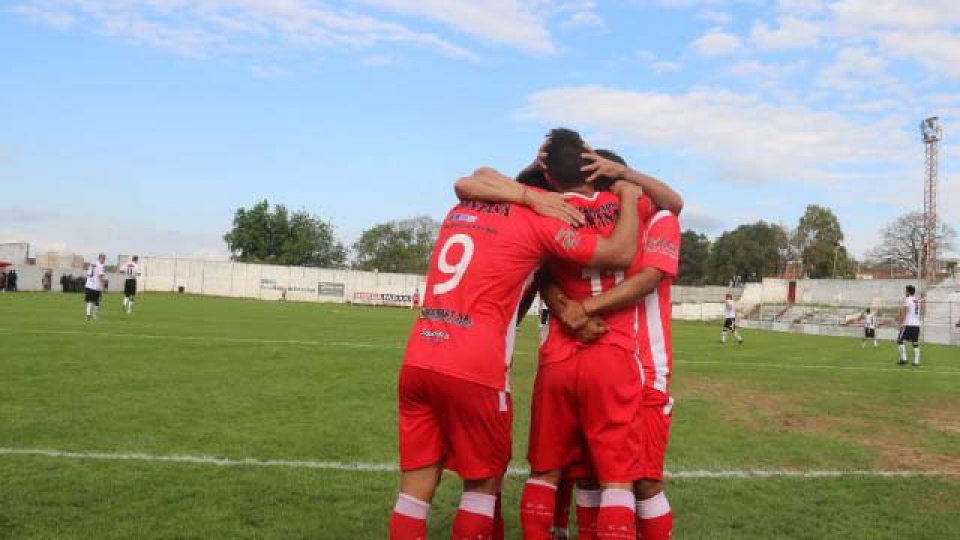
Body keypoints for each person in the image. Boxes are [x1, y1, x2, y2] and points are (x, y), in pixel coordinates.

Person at [390, 130, 643, 540]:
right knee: (483, 485)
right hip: (475, 368)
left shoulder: (468, 204)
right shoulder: (541, 224)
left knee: (414, 492)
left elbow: (473, 177)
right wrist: (629, 197)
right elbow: (619, 254)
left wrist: (530, 186)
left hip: (419, 356)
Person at [457, 137, 682, 540]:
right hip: (615, 353)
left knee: (588, 473)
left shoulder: (557, 213)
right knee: (608, 476)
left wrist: (572, 308)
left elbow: (473, 184)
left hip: (627, 362)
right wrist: (571, 309)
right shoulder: (635, 208)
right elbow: (654, 227)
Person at [897, 285, 921, 367]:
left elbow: (905, 312)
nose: (905, 292)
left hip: (908, 324)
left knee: (900, 341)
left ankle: (904, 359)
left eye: (906, 290)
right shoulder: (916, 300)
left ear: (908, 291)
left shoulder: (907, 299)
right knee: (915, 343)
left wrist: (902, 324)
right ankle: (916, 362)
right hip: (916, 325)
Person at [84, 254, 107, 321]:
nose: (104, 261)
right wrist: (103, 286)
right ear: (100, 258)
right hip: (96, 286)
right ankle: (94, 315)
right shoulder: (100, 266)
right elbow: (100, 277)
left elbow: (88, 274)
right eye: (104, 259)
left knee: (89, 301)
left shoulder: (92, 264)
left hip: (88, 285)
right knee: (96, 301)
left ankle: (88, 315)